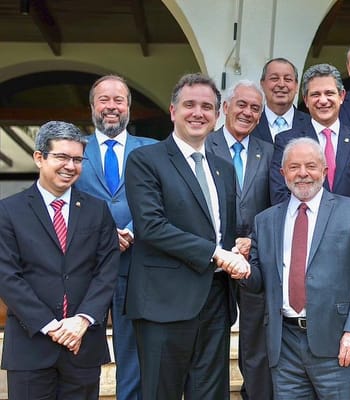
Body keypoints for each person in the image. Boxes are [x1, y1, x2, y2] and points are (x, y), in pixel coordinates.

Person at [124, 73, 250, 400]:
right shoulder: (145, 160)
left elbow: (222, 229)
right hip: (163, 303)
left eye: (207, 107)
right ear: (172, 111)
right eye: (189, 105)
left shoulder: (222, 167)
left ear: (217, 115)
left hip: (216, 300)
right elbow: (151, 226)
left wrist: (236, 246)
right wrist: (217, 253)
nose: (198, 113)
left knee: (211, 394)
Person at [239, 137, 350, 399]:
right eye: (294, 167)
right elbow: (258, 282)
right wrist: (243, 269)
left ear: (325, 171)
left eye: (311, 166)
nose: (303, 173)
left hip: (338, 341)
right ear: (283, 174)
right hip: (285, 346)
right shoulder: (265, 221)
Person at [0, 121, 119, 400]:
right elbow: (6, 275)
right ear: (39, 157)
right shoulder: (8, 210)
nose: (70, 166)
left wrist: (82, 320)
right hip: (31, 346)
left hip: (83, 343)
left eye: (77, 159)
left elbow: (107, 269)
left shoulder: (97, 209)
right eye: (62, 157)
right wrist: (51, 326)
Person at [74, 74, 156, 400]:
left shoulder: (151, 150)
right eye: (104, 100)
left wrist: (133, 230)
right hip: (85, 270)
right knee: (81, 356)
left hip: (137, 266)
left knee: (133, 355)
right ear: (93, 106)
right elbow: (63, 202)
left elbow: (158, 200)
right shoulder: (74, 150)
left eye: (118, 100)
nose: (111, 106)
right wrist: (104, 235)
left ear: (129, 107)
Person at [205, 79, 273, 400]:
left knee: (255, 341)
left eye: (255, 108)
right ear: (225, 108)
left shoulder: (271, 153)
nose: (247, 112)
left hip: (255, 262)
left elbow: (277, 207)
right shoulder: (203, 146)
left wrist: (253, 241)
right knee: (212, 339)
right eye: (241, 105)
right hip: (211, 262)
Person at [270, 63, 350, 210]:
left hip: (349, 230)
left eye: (329, 93)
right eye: (316, 94)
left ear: (341, 96)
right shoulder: (286, 141)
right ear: (306, 100)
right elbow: (280, 195)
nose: (323, 100)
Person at [252, 58, 310, 144]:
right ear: (262, 84)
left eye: (288, 79)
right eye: (274, 78)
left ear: (296, 86)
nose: (281, 84)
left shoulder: (311, 124)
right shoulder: (251, 122)